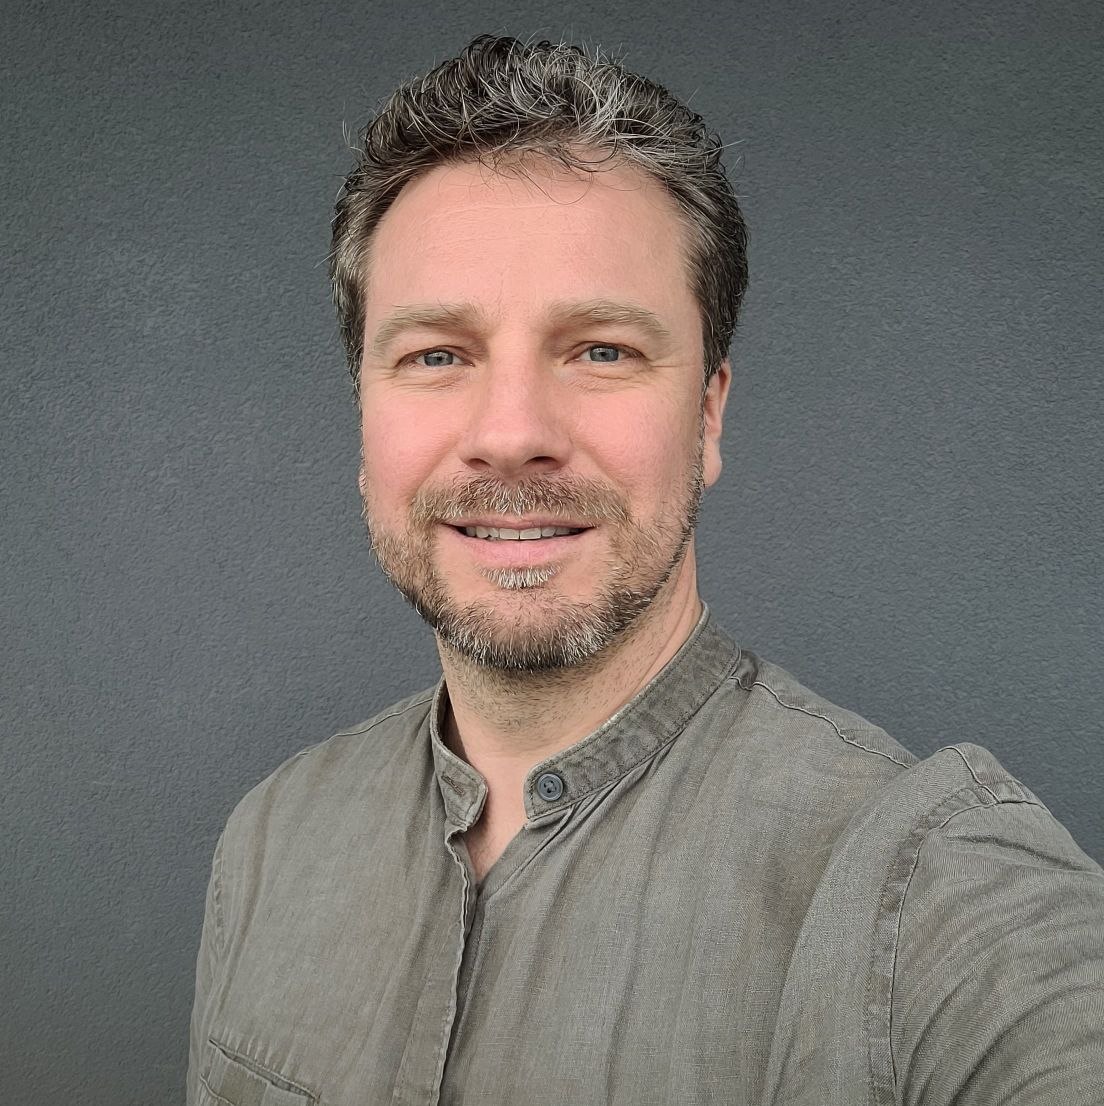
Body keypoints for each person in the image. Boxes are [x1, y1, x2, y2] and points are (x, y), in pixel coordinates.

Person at [187, 34, 1104, 1105]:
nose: (512, 435)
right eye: (436, 354)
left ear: (707, 416)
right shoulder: (270, 839)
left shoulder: (935, 886)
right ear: (364, 421)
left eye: (601, 351)